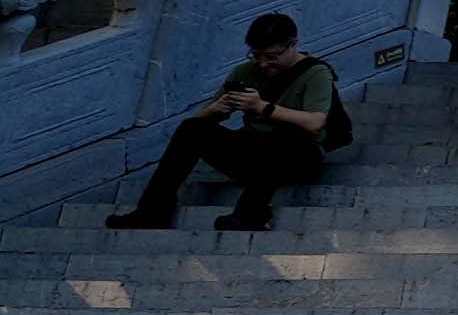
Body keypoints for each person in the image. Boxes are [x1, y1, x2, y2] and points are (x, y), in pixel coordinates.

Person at [104, 12, 337, 232]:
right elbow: (198, 124)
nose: (264, 64)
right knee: (192, 128)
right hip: (253, 152)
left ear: (293, 45)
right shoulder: (245, 72)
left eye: (272, 57)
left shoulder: (316, 73)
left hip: (295, 157)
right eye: (257, 56)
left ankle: (252, 214)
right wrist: (215, 110)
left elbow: (315, 122)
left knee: (287, 134)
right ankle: (153, 210)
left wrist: (262, 107)